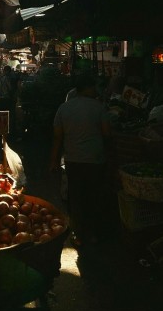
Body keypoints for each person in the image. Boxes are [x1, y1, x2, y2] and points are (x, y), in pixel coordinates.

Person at [49, 71, 114, 248]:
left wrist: (54, 161)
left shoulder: (64, 108)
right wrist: (110, 159)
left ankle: (78, 234)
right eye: (95, 87)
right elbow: (107, 135)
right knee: (93, 197)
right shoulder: (99, 107)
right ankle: (91, 233)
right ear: (89, 87)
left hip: (73, 160)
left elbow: (57, 138)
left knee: (76, 197)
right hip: (95, 160)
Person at [0, 65, 17, 136]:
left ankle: (0, 130)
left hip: (1, 99)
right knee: (9, 115)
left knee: (1, 114)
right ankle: (7, 131)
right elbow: (10, 89)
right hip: (7, 99)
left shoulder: (0, 77)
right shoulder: (8, 78)